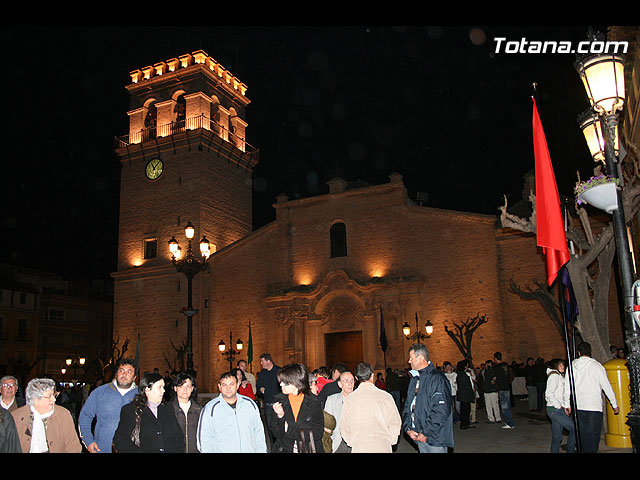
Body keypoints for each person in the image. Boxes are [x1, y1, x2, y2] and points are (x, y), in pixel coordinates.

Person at [563, 342, 619, 453]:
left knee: (583, 437)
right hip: (594, 407)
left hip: (579, 406)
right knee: (593, 438)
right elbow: (606, 386)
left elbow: (567, 386)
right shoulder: (597, 366)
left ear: (579, 353)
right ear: (590, 352)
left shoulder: (572, 366)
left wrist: (567, 404)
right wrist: (614, 404)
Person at [112, 372, 184, 453]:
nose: (163, 390)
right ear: (147, 390)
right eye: (159, 387)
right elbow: (120, 440)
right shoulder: (131, 411)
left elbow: (178, 436)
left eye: (163, 387)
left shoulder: (168, 408)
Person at [197, 371, 267, 453]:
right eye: (224, 385)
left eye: (231, 384)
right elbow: (204, 439)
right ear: (219, 387)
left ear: (237, 385)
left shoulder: (249, 404)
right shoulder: (210, 409)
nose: (228, 388)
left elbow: (258, 432)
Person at [78, 358, 137, 453]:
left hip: (132, 448)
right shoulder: (100, 392)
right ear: (116, 373)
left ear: (134, 377)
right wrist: (88, 441)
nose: (124, 374)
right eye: (121, 371)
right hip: (102, 448)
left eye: (129, 372)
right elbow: (85, 416)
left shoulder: (141, 395)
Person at [340, 362, 401, 453]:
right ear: (372, 375)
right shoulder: (385, 397)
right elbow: (395, 422)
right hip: (382, 446)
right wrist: (391, 440)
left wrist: (351, 442)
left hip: (360, 447)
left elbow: (344, 427)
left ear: (356, 378)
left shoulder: (350, 399)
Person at [403, 343, 454, 453]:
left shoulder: (438, 379)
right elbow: (408, 405)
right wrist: (408, 428)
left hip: (434, 438)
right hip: (418, 436)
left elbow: (441, 410)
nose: (409, 361)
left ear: (420, 358)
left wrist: (426, 433)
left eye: (411, 358)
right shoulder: (414, 379)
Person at [12, 378, 82, 453]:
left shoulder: (63, 415)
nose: (54, 399)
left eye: (54, 395)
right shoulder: (16, 417)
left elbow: (73, 446)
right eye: (49, 396)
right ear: (36, 400)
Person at [271, 363, 325, 453]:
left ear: (295, 382)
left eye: (285, 382)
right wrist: (280, 416)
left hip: (308, 449)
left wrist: (289, 430)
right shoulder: (280, 401)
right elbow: (277, 434)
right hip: (285, 448)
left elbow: (317, 433)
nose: (281, 384)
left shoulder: (314, 402)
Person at [545, 358, 576, 453]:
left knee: (557, 437)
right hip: (555, 410)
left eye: (563, 365)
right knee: (574, 428)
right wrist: (559, 406)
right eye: (560, 365)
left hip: (557, 409)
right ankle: (570, 450)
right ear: (555, 366)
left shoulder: (559, 376)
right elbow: (549, 393)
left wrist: (565, 406)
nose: (563, 366)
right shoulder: (554, 377)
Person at [324, 370, 356, 452]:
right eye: (346, 381)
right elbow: (327, 425)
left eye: (352, 381)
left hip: (357, 443)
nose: (350, 383)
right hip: (339, 442)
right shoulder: (331, 400)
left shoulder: (359, 400)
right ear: (340, 384)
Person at [170, 371, 202, 453]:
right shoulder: (169, 410)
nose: (185, 389)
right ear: (175, 388)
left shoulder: (199, 409)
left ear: (192, 388)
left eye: (188, 386)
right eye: (181, 386)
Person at [256, 353, 281, 447]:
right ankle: (273, 447)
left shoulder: (279, 371)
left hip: (279, 404)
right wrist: (260, 389)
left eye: (262, 361)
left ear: (268, 361)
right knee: (270, 428)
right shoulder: (262, 374)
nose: (261, 363)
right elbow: (258, 387)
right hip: (268, 405)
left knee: (279, 427)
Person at [494, 352, 515, 429]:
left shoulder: (497, 367)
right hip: (507, 387)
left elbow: (497, 378)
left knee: (504, 407)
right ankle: (509, 421)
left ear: (495, 358)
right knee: (508, 405)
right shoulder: (506, 365)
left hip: (502, 388)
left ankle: (510, 423)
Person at [456, 360, 475, 429]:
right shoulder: (462, 375)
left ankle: (466, 423)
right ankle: (464, 424)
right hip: (465, 395)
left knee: (465, 409)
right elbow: (467, 386)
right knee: (465, 410)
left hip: (464, 395)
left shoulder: (460, 375)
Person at [483, 359, 501, 424]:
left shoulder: (490, 371)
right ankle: (496, 418)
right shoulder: (490, 371)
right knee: (493, 405)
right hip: (491, 390)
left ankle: (493, 418)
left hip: (490, 390)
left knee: (491, 405)